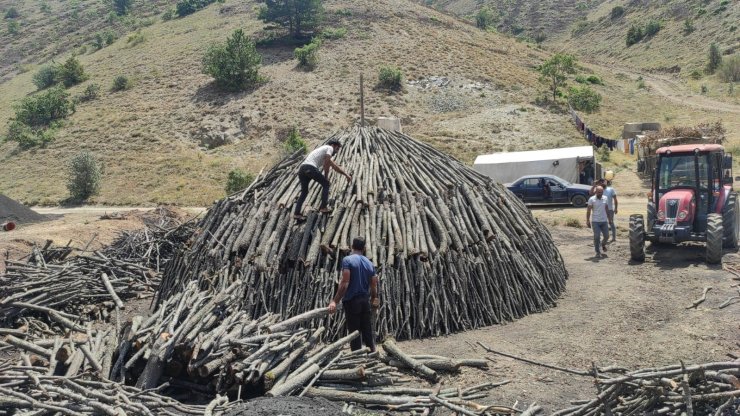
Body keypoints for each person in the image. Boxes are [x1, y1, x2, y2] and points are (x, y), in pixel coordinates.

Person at [328, 237, 380, 352]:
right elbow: (373, 285)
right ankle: (372, 353)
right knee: (367, 329)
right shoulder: (370, 263)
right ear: (364, 248)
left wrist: (334, 301)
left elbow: (345, 283)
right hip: (364, 301)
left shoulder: (348, 260)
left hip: (352, 301)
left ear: (352, 247)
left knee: (355, 332)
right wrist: (374, 299)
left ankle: (357, 357)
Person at [294, 139, 352, 220]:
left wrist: (346, 175)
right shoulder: (329, 148)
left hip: (302, 169)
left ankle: (297, 214)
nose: (337, 151)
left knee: (304, 192)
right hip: (310, 167)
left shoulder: (322, 151)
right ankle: (323, 207)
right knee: (326, 184)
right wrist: (326, 177)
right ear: (333, 145)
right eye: (337, 149)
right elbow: (326, 163)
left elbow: (335, 167)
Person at [586, 186, 612, 257]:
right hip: (595, 221)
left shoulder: (605, 198)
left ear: (603, 192)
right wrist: (587, 220)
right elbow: (588, 210)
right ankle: (597, 251)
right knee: (597, 236)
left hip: (604, 221)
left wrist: (609, 219)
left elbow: (606, 209)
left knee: (607, 236)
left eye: (601, 192)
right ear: (596, 192)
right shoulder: (591, 199)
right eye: (598, 192)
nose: (600, 193)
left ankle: (603, 244)